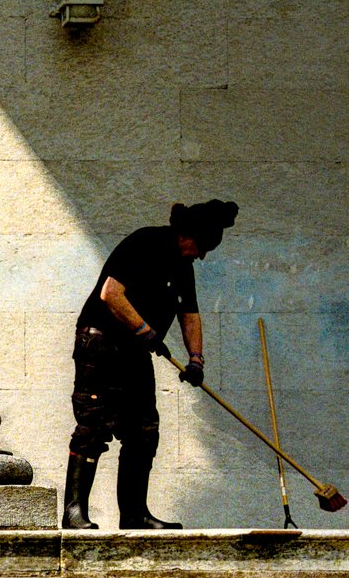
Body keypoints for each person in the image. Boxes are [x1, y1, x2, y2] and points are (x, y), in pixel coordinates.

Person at [62, 199, 239, 530]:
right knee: (94, 426)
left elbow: (190, 315)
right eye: (202, 246)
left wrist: (196, 360)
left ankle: (134, 514)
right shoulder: (145, 243)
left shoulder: (183, 268)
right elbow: (111, 294)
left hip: (135, 350)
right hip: (100, 344)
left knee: (143, 431)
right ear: (186, 234)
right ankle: (74, 512)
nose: (202, 255)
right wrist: (144, 329)